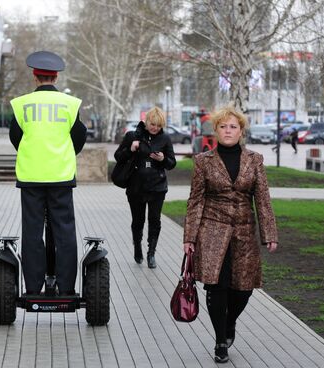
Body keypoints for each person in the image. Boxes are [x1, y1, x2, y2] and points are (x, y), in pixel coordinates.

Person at [182, 105, 278, 363]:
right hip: (212, 231)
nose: (228, 130)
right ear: (215, 130)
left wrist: (269, 233)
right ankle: (219, 341)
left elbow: (263, 199)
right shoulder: (203, 161)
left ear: (241, 131)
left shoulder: (254, 160)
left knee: (243, 289)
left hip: (244, 232)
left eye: (233, 126)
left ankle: (229, 324)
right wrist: (189, 237)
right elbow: (195, 200)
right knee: (216, 286)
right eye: (223, 126)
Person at [9, 51, 87, 295]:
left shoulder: (21, 104)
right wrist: (63, 153)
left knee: (32, 232)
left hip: (30, 177)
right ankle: (65, 288)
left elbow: (15, 137)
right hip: (60, 176)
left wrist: (32, 152)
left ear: (35, 77)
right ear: (55, 77)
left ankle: (33, 288)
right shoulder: (70, 104)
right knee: (64, 232)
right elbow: (79, 136)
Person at [114, 107, 176, 268]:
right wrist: (131, 149)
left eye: (158, 125)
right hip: (136, 187)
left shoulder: (165, 139)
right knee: (138, 220)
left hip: (157, 187)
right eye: (152, 124)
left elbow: (171, 163)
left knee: (154, 220)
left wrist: (162, 159)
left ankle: (151, 253)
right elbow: (118, 157)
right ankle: (137, 247)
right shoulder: (132, 136)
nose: (155, 128)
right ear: (146, 122)